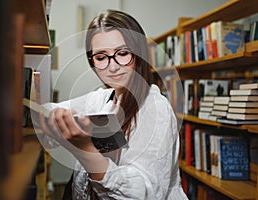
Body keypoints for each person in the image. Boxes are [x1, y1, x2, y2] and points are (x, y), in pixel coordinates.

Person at [39, 9, 188, 200]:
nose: (113, 66)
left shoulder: (156, 108)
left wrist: (86, 151)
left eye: (123, 53)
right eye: (101, 57)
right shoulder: (102, 98)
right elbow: (49, 111)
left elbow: (144, 194)